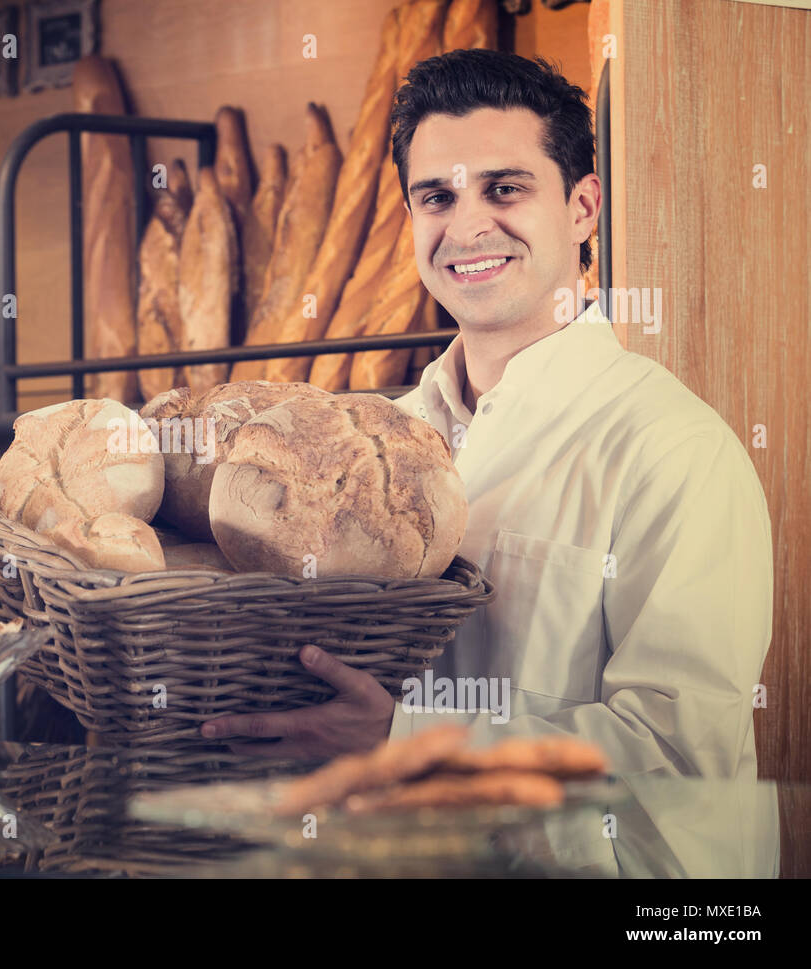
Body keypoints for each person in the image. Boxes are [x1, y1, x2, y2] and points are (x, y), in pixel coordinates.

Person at [202, 49, 773, 779]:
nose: (468, 227)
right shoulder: (381, 435)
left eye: (504, 189)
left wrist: (408, 743)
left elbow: (679, 756)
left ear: (582, 208)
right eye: (437, 197)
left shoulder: (674, 450)